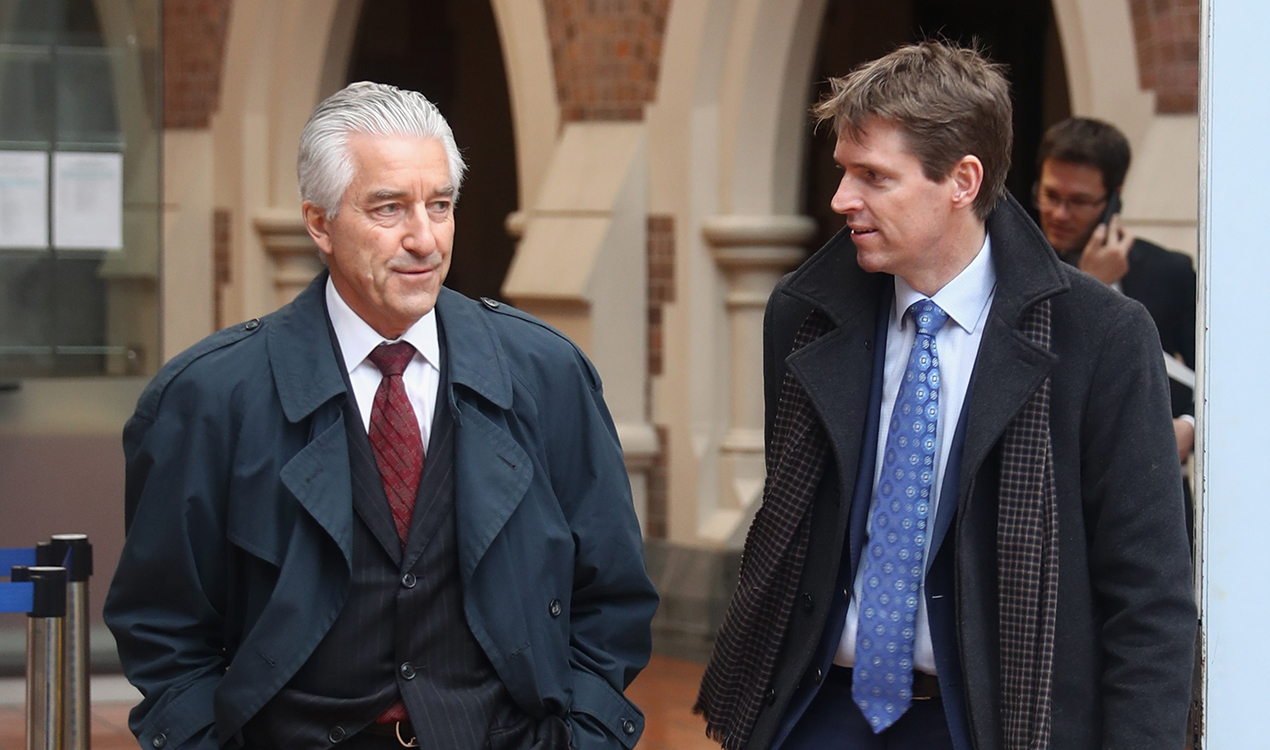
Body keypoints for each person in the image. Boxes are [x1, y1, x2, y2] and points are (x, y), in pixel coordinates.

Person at [105, 82, 657, 750]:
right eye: (389, 208)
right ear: (318, 222)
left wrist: (586, 738)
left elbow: (614, 596)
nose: (423, 238)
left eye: (440, 206)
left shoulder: (548, 375)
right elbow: (163, 629)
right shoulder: (208, 401)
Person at [695, 42, 1195, 750]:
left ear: (962, 180)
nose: (842, 199)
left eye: (873, 176)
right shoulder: (804, 317)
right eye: (843, 171)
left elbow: (1148, 600)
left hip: (996, 722)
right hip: (820, 714)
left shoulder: (1102, 337)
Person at [1034, 117, 1197, 464]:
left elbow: (1224, 374)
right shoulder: (1018, 268)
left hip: (1148, 475)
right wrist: (1089, 286)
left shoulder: (1168, 271)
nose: (1059, 214)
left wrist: (1190, 426)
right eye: (1050, 195)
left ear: (1113, 201)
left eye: (1078, 201)